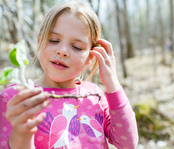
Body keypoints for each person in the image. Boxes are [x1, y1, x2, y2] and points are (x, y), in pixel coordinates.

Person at [0, 1, 138, 149]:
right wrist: (22, 135)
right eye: (54, 40)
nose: (62, 51)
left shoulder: (94, 95)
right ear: (40, 42)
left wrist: (112, 83)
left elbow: (127, 143)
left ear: (90, 58)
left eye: (77, 47)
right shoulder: (17, 98)